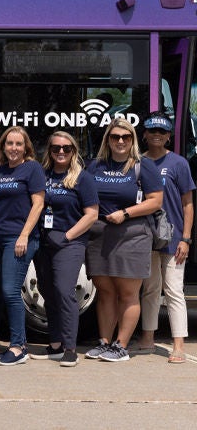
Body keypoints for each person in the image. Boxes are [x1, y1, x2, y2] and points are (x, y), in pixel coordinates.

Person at [83, 117, 163, 362]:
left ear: (132, 140)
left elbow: (155, 201)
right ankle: (104, 343)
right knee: (105, 291)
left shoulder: (143, 165)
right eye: (115, 136)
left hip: (133, 234)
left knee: (128, 293)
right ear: (107, 139)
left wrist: (126, 213)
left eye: (125, 137)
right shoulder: (94, 166)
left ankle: (121, 346)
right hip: (99, 235)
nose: (120, 141)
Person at [30, 131, 99, 367]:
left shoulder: (83, 178)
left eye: (66, 148)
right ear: (49, 150)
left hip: (70, 243)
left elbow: (92, 215)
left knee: (63, 291)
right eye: (56, 148)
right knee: (48, 291)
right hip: (44, 241)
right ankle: (56, 345)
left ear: (73, 151)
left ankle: (70, 348)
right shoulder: (42, 174)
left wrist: (67, 236)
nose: (61, 152)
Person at [0, 125, 45, 366]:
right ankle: (19, 343)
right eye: (9, 143)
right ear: (4, 146)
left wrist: (24, 235)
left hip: (19, 239)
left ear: (26, 147)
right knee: (5, 290)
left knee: (10, 291)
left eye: (18, 144)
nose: (14, 148)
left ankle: (18, 347)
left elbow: (38, 205)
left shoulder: (32, 168)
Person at [137, 113, 194, 363]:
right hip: (146, 236)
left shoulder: (179, 163)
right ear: (145, 134)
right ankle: (147, 338)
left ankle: (178, 345)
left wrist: (186, 238)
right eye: (152, 131)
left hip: (173, 239)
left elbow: (188, 204)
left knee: (173, 290)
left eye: (162, 132)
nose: (157, 135)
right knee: (149, 289)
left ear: (169, 136)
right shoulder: (138, 162)